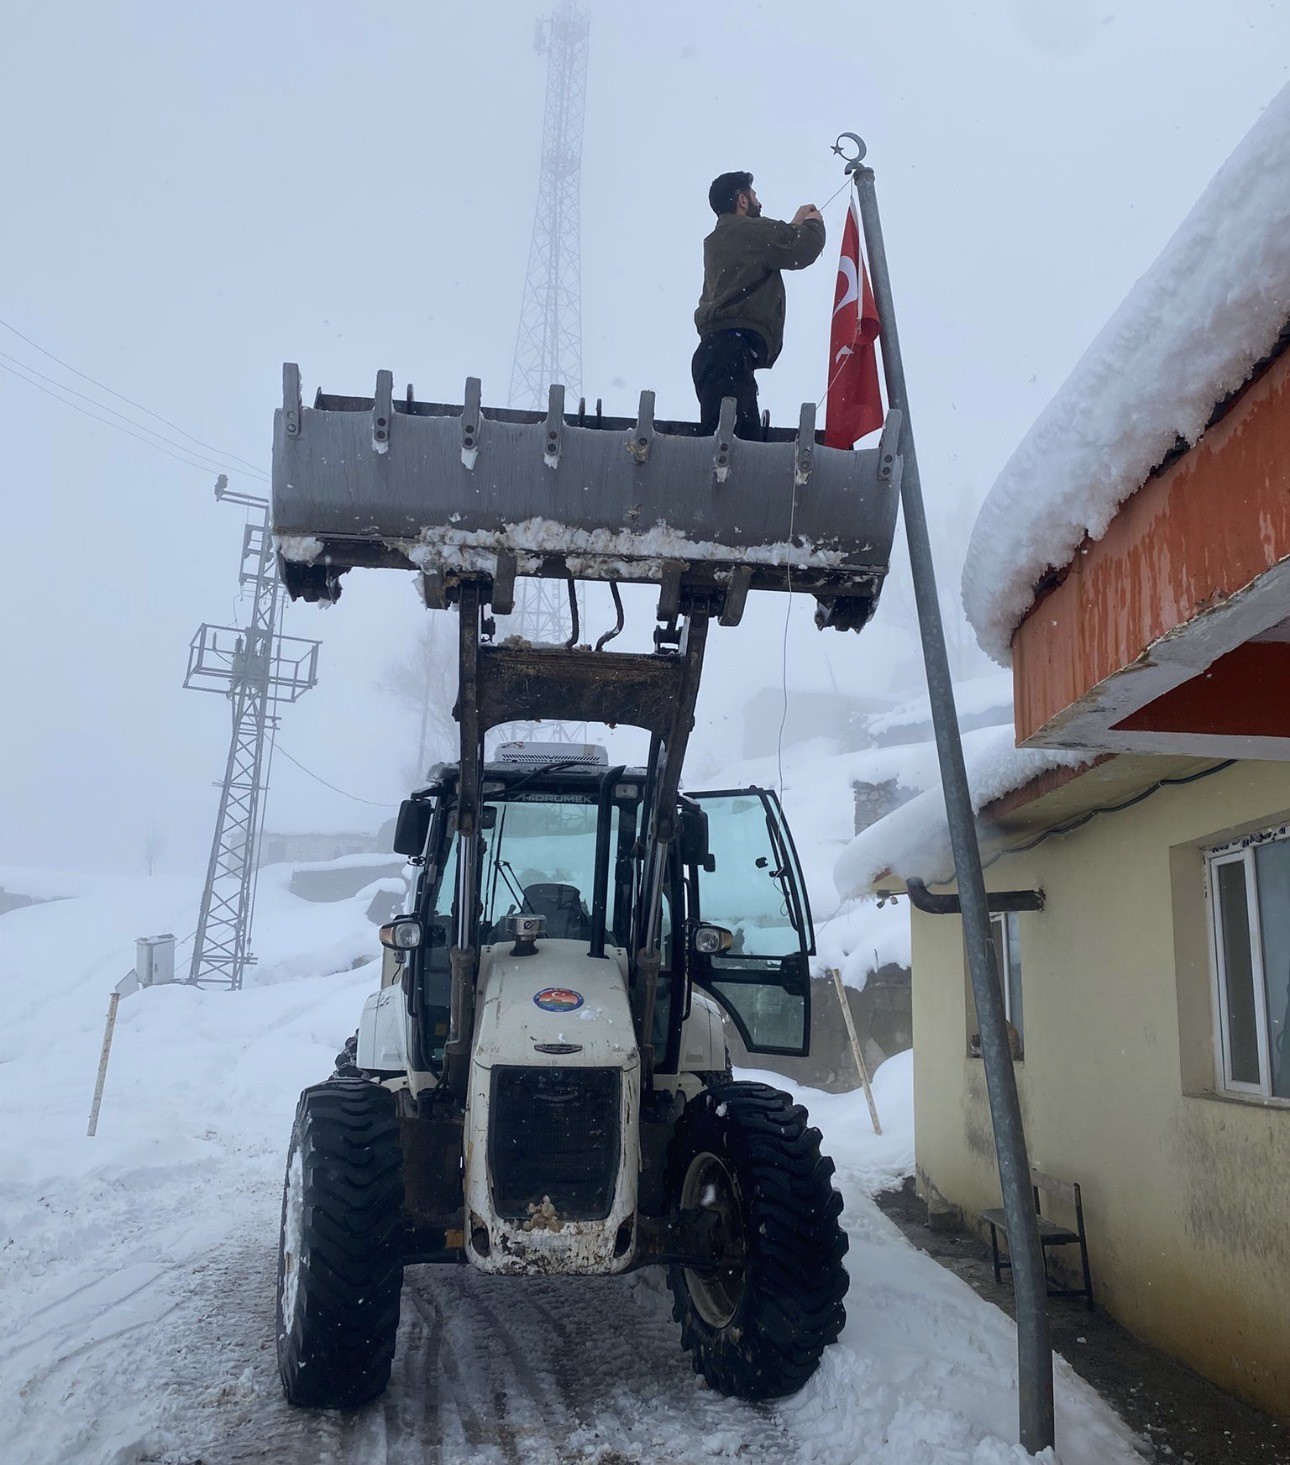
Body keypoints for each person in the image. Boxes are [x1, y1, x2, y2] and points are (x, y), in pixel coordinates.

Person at [692, 171, 825, 438]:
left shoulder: (726, 236)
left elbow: (763, 248)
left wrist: (792, 226)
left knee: (729, 446)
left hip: (719, 352)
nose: (758, 203)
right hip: (730, 352)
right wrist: (812, 223)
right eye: (754, 195)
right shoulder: (750, 232)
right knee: (729, 450)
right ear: (742, 200)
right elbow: (803, 248)